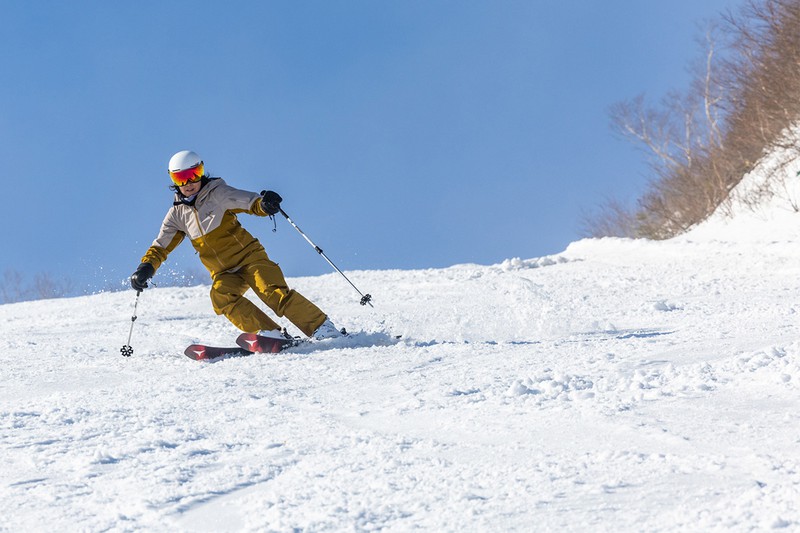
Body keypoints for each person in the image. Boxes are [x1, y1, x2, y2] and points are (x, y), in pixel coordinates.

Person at [130, 150, 342, 340]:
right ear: (173, 180)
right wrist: (146, 267)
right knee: (221, 297)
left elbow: (248, 201)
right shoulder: (177, 215)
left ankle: (321, 327)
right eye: (181, 178)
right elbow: (160, 246)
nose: (189, 183)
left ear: (201, 171)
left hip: (249, 259)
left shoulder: (217, 193)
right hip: (223, 272)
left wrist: (264, 204)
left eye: (194, 174)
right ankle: (270, 334)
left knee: (271, 291)